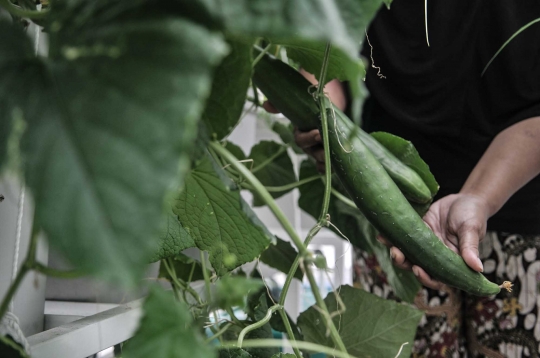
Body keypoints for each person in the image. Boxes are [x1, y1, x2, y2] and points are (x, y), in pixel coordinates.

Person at [265, 1, 540, 356]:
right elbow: (327, 39)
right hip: (386, 210)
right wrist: (320, 106)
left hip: (521, 202)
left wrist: (480, 197)